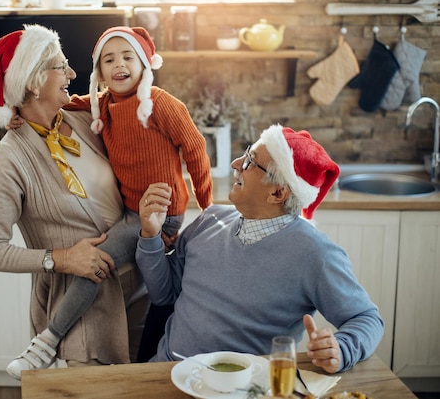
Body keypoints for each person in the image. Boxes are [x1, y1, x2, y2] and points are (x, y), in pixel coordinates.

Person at [6, 26, 214, 364]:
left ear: (145, 63)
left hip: (160, 214)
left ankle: (47, 341)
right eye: (109, 59)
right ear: (99, 71)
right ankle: (51, 342)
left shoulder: (161, 104)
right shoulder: (101, 105)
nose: (120, 65)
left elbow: (195, 148)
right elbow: (64, 105)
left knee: (94, 262)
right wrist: (18, 110)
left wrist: (206, 204)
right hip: (133, 213)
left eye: (128, 57)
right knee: (101, 268)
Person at [0, 24, 147, 379]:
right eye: (60, 66)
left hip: (139, 287)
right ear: (33, 81)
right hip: (82, 308)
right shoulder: (10, 158)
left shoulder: (85, 121)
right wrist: (62, 259)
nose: (71, 73)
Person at [136, 124, 385, 373]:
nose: (235, 164)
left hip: (245, 387)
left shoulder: (315, 254)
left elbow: (367, 319)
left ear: (277, 193)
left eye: (249, 162)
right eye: (245, 154)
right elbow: (163, 294)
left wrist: (341, 349)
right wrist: (151, 234)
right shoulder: (209, 220)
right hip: (168, 371)